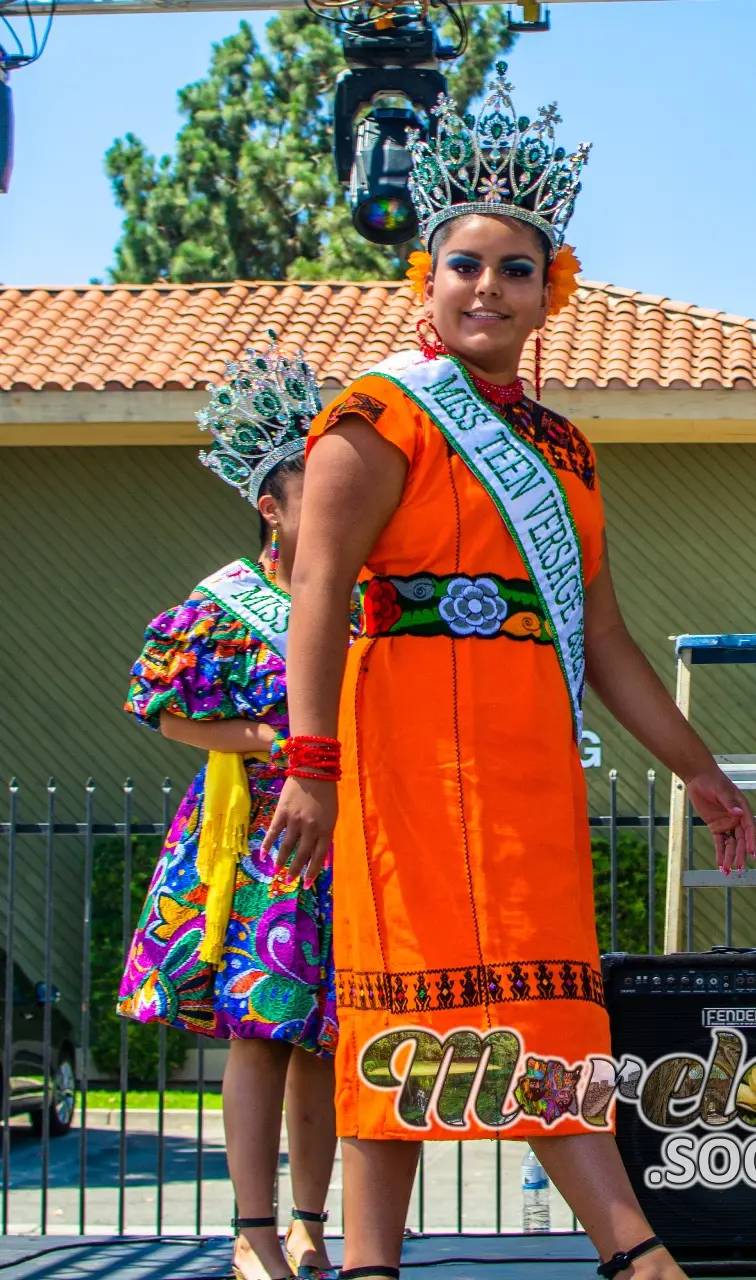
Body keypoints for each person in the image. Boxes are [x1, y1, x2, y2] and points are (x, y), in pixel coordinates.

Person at [265, 66, 756, 1280]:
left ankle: (629, 1250)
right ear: (426, 283)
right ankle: (569, 1258)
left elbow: (603, 635)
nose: (488, 287)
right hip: (408, 748)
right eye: (465, 265)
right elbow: (319, 591)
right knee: (407, 1004)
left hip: (527, 758)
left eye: (515, 268)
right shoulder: (379, 415)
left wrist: (700, 769)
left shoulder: (566, 451)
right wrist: (311, 763)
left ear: (552, 292)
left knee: (544, 1007)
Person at [118, 336, 339, 1280]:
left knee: (328, 1042)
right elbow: (164, 708)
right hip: (254, 848)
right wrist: (269, 745)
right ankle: (253, 1233)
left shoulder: (355, 600)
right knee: (260, 1036)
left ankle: (310, 1222)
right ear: (272, 507)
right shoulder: (228, 601)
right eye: (315, 495)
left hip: (349, 838)